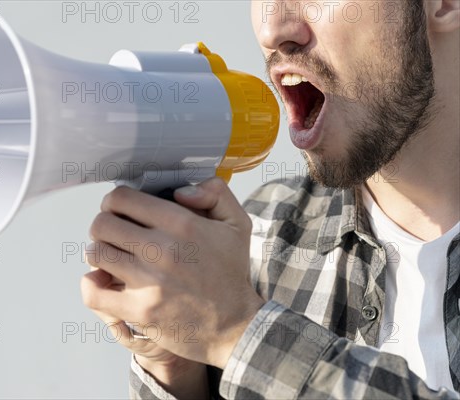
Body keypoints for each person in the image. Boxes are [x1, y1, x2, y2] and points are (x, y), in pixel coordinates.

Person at [80, 0, 460, 398]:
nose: (272, 29)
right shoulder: (263, 232)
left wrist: (237, 332)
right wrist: (176, 365)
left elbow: (237, 329)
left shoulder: (237, 292)